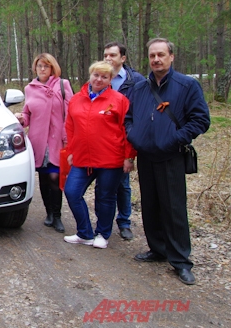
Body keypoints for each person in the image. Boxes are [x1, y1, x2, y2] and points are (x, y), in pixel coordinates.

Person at [125, 38, 210, 285]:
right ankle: (158, 249)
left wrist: (174, 139)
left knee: (173, 209)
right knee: (151, 205)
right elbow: (129, 117)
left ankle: (181, 261)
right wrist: (134, 135)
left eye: (161, 55)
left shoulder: (186, 86)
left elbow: (201, 120)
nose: (156, 60)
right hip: (147, 156)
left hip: (171, 155)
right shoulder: (140, 88)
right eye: (152, 56)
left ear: (171, 56)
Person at [63, 61, 136, 249]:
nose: (99, 79)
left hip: (111, 159)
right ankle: (85, 233)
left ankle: (102, 234)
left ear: (110, 79)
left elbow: (128, 130)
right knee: (72, 192)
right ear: (90, 75)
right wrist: (71, 150)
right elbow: (70, 127)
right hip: (82, 158)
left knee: (105, 197)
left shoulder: (119, 100)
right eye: (96, 75)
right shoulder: (77, 99)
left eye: (104, 77)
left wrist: (129, 156)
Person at [16, 53, 73, 233]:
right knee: (44, 178)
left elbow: (71, 113)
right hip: (39, 140)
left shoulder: (63, 85)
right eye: (39, 66)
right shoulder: (30, 88)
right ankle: (48, 213)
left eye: (46, 66)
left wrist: (67, 137)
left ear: (52, 68)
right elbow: (28, 114)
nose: (42, 69)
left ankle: (57, 216)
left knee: (55, 177)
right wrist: (21, 119)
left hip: (58, 140)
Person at [103, 42, 145, 241]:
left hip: (125, 138)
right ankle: (104, 223)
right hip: (104, 140)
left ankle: (124, 222)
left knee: (123, 183)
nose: (108, 59)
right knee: (105, 183)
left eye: (112, 55)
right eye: (105, 55)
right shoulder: (100, 78)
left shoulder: (136, 81)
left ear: (123, 58)